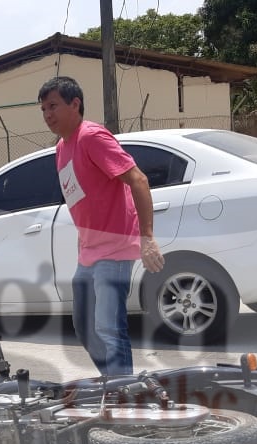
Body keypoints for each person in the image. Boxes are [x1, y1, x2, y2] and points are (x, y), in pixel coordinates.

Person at [37, 75, 165, 376]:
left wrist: (147, 238)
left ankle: (125, 396)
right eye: (43, 109)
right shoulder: (62, 148)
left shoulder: (91, 136)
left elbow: (138, 179)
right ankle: (116, 381)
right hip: (89, 253)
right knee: (84, 327)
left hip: (115, 248)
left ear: (75, 104)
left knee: (108, 327)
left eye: (53, 106)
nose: (47, 115)